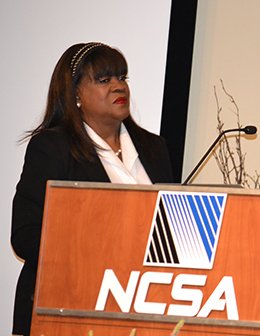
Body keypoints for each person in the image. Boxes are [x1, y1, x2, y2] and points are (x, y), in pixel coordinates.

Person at [10, 42, 174, 336]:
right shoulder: (53, 147)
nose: (117, 87)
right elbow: (25, 235)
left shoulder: (154, 149)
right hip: (69, 306)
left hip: (143, 307)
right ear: (75, 94)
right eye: (103, 80)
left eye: (121, 78)